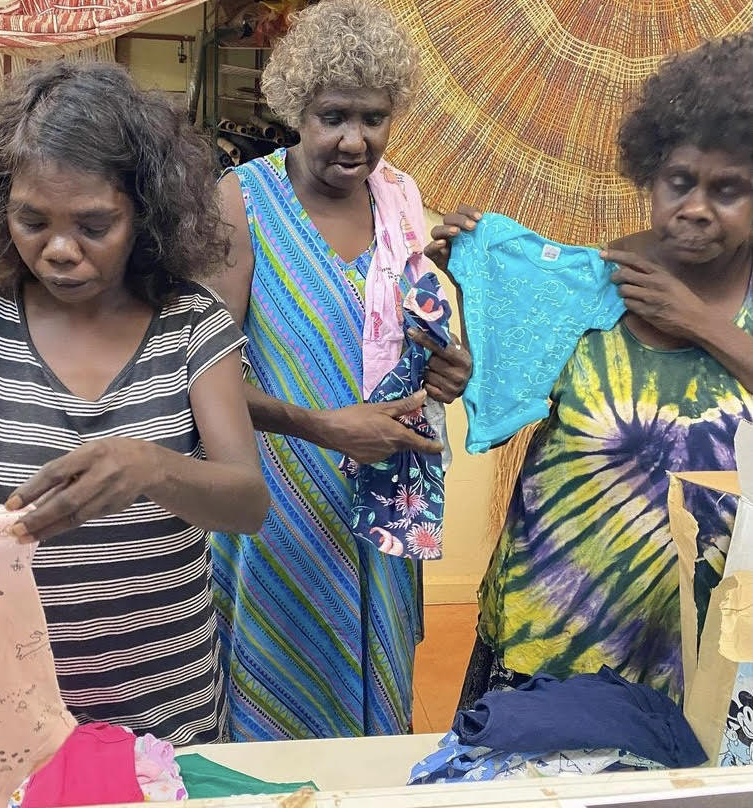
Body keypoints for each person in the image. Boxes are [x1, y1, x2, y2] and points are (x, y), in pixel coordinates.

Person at [0, 61, 269, 745]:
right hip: (14, 711)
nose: (58, 251)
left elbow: (246, 504)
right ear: (2, 208)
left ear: (145, 212)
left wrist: (153, 469)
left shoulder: (191, 324)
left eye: (93, 224)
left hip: (166, 706)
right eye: (32, 220)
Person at [427, 32, 753, 705]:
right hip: (554, 631)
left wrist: (696, 319)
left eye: (728, 189)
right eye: (678, 181)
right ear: (649, 176)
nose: (694, 206)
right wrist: (478, 283)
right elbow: (496, 384)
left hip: (705, 649)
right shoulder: (584, 286)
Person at [212, 0, 472, 740]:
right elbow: (203, 370)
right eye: (333, 115)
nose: (355, 140)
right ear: (296, 107)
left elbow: (410, 342)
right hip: (280, 498)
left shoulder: (401, 200)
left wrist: (447, 371)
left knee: (370, 699)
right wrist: (323, 427)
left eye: (373, 117)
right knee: (279, 688)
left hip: (381, 501)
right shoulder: (242, 201)